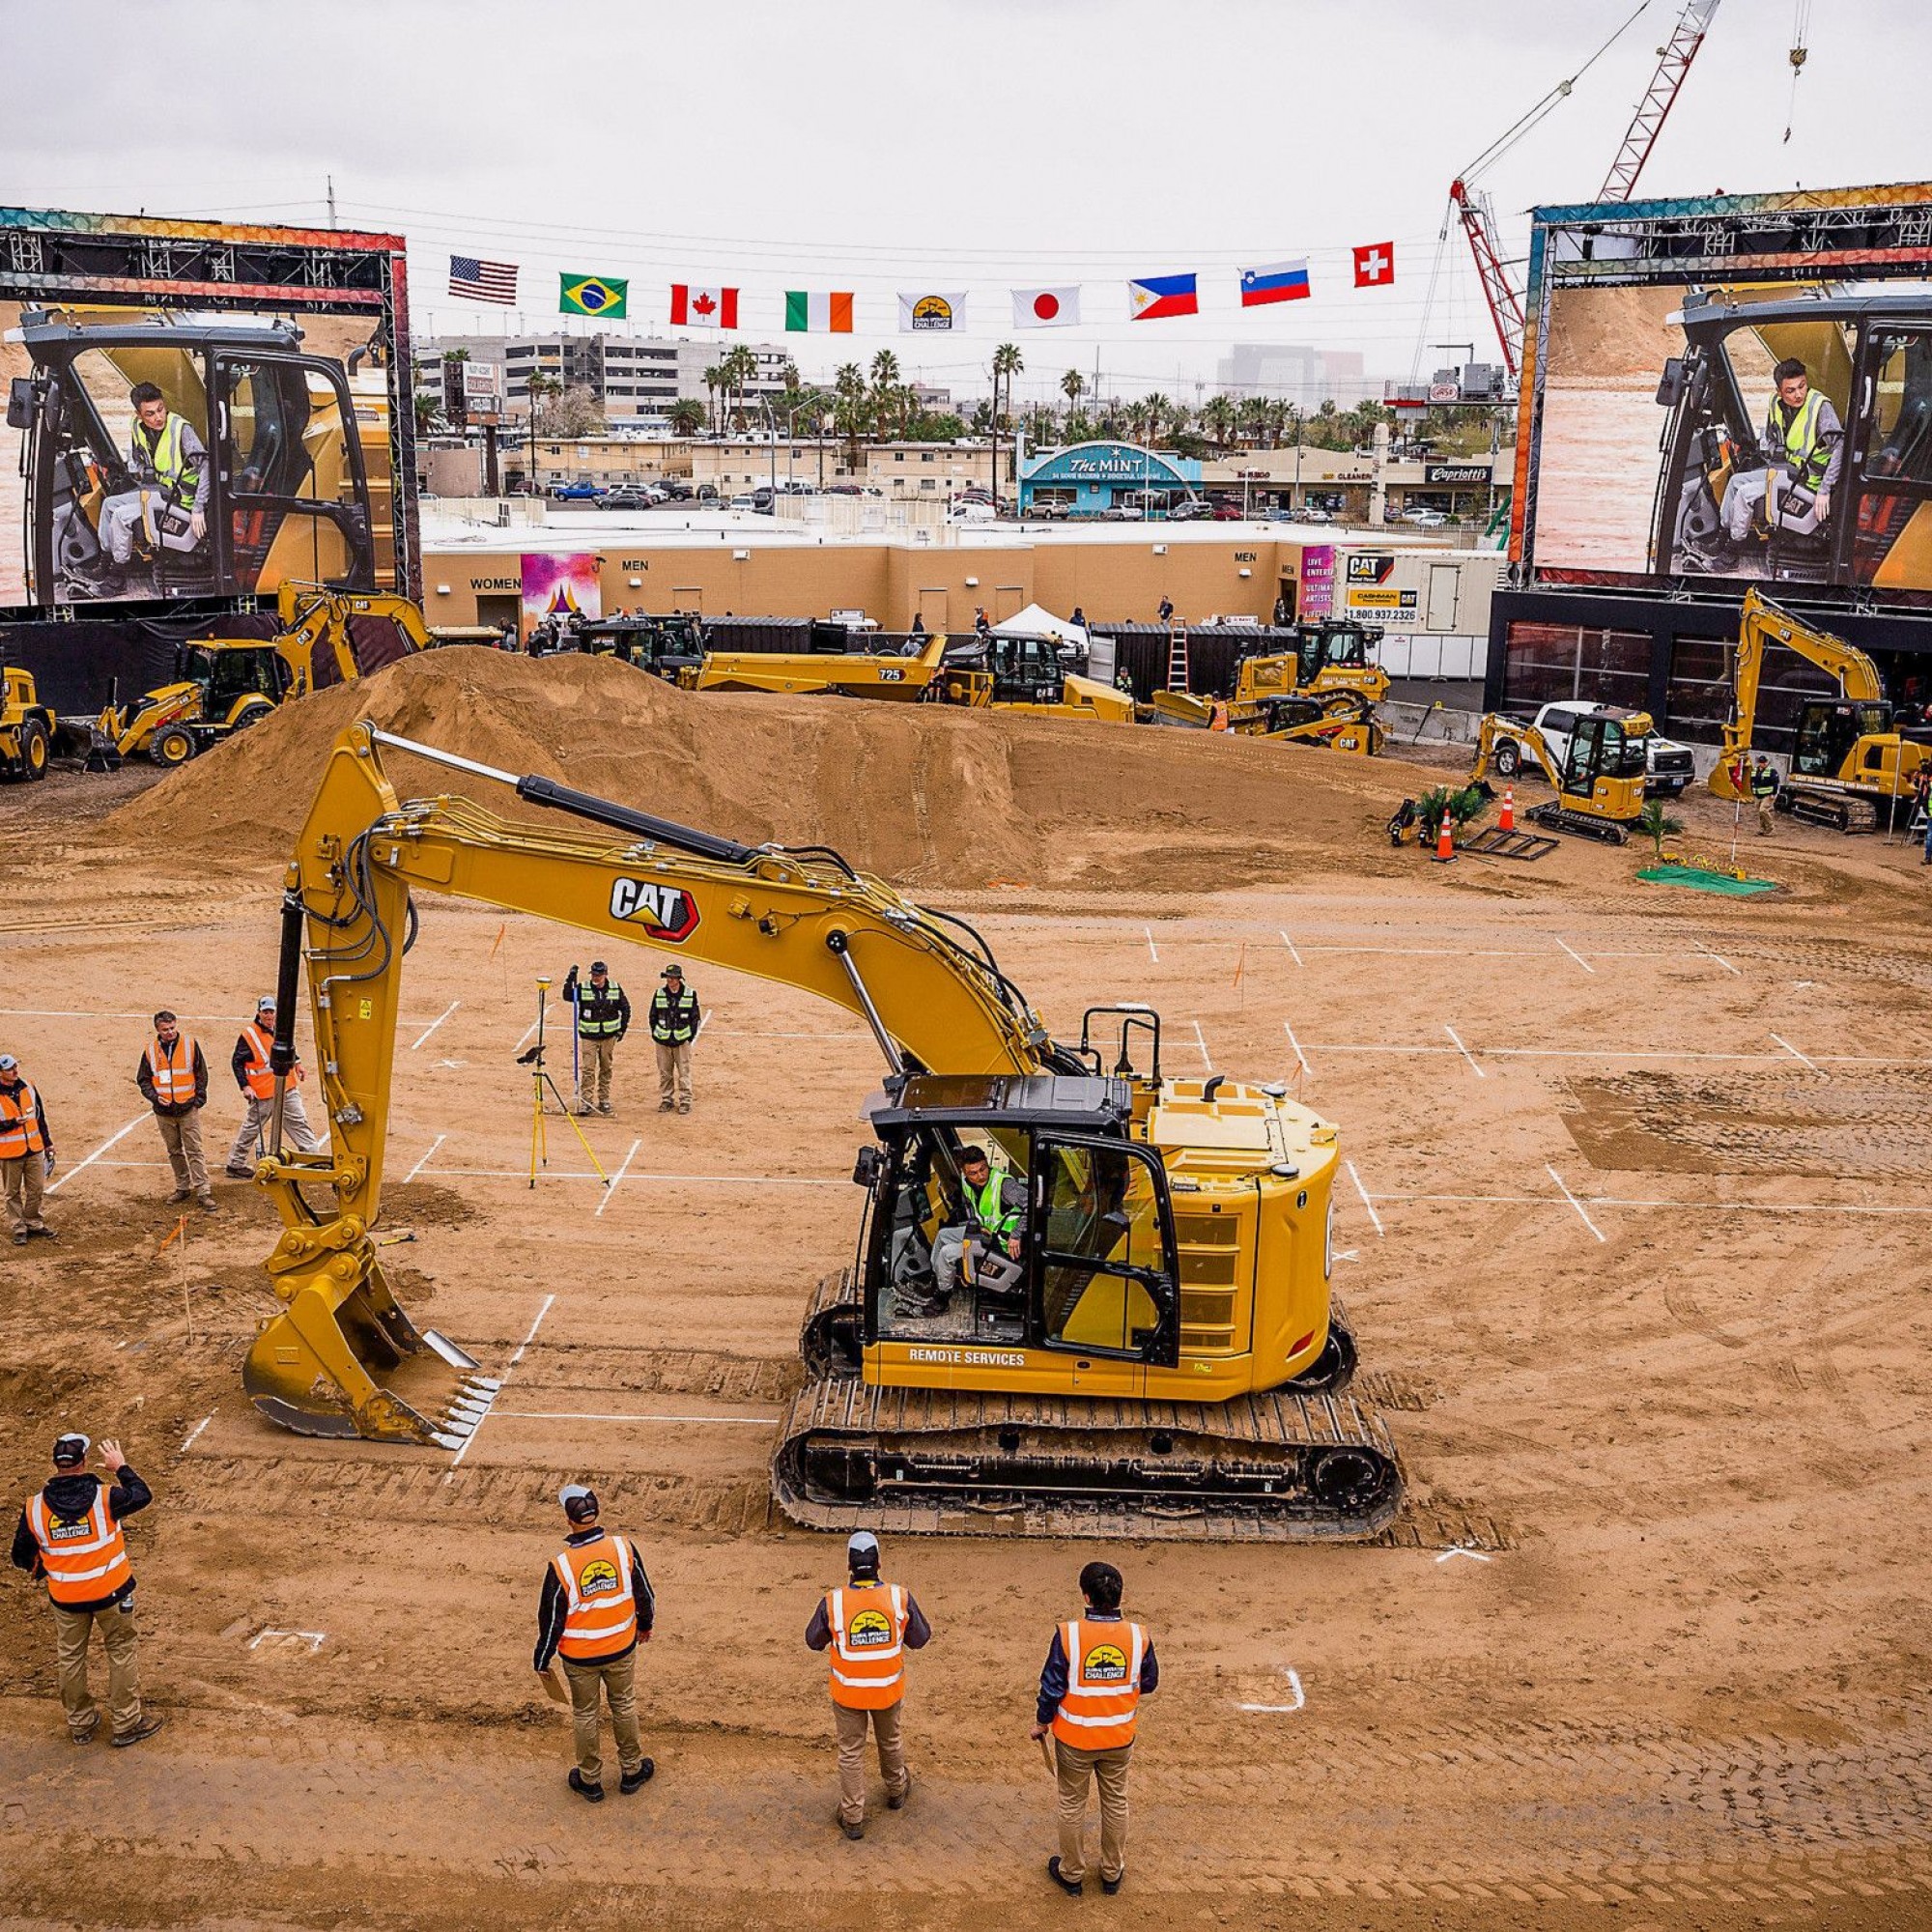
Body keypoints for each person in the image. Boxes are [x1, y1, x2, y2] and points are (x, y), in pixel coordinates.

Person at [12, 1434, 165, 1747]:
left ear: (56, 1465)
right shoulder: (105, 1497)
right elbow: (142, 1494)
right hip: (113, 1593)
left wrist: (46, 1563)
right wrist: (120, 1467)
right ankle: (126, 1723)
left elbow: (19, 1557)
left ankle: (80, 1724)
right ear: (82, 1462)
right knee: (121, 1652)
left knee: (70, 1657)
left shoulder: (35, 1508)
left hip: (67, 1599)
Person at [1031, 1560, 1159, 1897]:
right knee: (1116, 1801)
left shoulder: (1068, 1635)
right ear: (1119, 1596)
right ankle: (1111, 1873)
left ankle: (1072, 1874)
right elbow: (1148, 1683)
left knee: (1072, 1804)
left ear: (1086, 1597)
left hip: (1075, 1740)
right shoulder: (1138, 1636)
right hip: (1119, 1737)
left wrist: (1043, 1721)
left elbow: (1052, 1687)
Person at [805, 1530, 933, 1840]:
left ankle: (853, 1817)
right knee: (890, 1741)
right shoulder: (898, 1597)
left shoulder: (833, 1601)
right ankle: (897, 1790)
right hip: (887, 1690)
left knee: (851, 1752)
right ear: (879, 1563)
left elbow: (813, 1641)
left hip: (848, 1693)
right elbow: (921, 1639)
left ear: (849, 1565)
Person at [532, 1483, 656, 1803]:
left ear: (568, 1519)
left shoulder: (560, 1566)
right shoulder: (623, 1548)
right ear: (596, 1513)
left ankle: (590, 1781)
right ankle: (631, 1771)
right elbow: (645, 1595)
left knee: (585, 1714)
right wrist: (644, 1625)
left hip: (579, 1657)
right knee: (624, 1705)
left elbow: (551, 1620)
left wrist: (542, 1659)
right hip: (621, 1647)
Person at [1701, 357, 1844, 572]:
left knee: (1746, 494)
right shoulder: (1774, 405)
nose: (1798, 394)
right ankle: (1722, 538)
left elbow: (1841, 446)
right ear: (1779, 392)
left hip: (1808, 481)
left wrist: (1824, 490)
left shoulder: (1820, 407)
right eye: (1790, 390)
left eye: (1802, 386)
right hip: (1785, 473)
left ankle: (1731, 554)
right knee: (1736, 482)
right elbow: (1770, 437)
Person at [92, 383, 211, 596]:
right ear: (139, 415)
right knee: (109, 505)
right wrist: (142, 472)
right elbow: (138, 457)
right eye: (150, 414)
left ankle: (118, 578)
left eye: (160, 409)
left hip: (180, 499)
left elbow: (207, 467)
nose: (158, 417)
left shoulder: (181, 430)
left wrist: (199, 508)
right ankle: (104, 564)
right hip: (157, 493)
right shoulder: (137, 428)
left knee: (121, 516)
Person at [225, 997, 321, 1178]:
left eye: (272, 1012)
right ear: (259, 1013)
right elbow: (236, 1062)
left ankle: (313, 1158)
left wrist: (297, 1063)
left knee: (299, 1122)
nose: (269, 1015)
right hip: (264, 1092)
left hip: (287, 1086)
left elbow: (286, 1048)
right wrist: (245, 1086)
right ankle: (235, 1163)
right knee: (252, 1127)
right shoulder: (249, 1035)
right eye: (265, 1012)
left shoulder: (280, 1028)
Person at [928, 1145, 1025, 1314]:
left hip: (1003, 1245)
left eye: (983, 1169)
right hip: (986, 1234)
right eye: (973, 1173)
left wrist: (1016, 1235)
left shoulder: (1004, 1185)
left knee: (947, 1253)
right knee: (944, 1235)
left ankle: (942, 1298)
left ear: (987, 1164)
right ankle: (937, 1281)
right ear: (964, 1173)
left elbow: (1032, 1205)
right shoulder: (966, 1184)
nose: (981, 1176)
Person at [136, 1010, 214, 1211]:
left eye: (172, 1028)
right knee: (174, 1151)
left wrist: (198, 1100)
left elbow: (201, 1073)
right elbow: (143, 1080)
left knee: (195, 1150)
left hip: (187, 1108)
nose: (170, 1032)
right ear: (158, 1030)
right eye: (165, 1030)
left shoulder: (190, 1045)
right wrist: (154, 1098)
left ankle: (203, 1190)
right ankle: (182, 1187)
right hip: (164, 1112)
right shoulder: (150, 1051)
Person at [1, 1053, 56, 1245]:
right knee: (12, 1192)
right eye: (9, 1069)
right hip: (10, 1152)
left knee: (36, 1189)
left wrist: (47, 1143)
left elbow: (40, 1118)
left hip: (34, 1148)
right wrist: (12, 1123)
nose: (15, 1071)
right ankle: (18, 1227)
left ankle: (33, 1222)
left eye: (15, 1066)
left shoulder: (29, 1087)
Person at [563, 961, 630, 1117]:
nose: (595, 978)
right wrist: (571, 978)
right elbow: (567, 996)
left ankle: (604, 1100)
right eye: (593, 975)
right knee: (588, 1069)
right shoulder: (584, 987)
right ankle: (586, 1101)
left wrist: (622, 1030)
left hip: (608, 1037)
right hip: (589, 1037)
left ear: (605, 975)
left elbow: (625, 1008)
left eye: (598, 975)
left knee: (606, 1068)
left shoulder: (614, 988)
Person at [649, 964, 699, 1115]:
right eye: (667, 977)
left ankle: (685, 1100)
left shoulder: (690, 994)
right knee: (665, 1073)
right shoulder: (659, 993)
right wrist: (657, 1035)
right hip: (662, 1041)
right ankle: (667, 1100)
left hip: (682, 1041)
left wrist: (689, 1037)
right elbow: (653, 1016)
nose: (669, 980)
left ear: (678, 979)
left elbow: (695, 1018)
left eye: (672, 977)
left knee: (684, 1072)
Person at [1750, 753, 1780, 835]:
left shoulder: (1772, 771)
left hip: (1768, 794)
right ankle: (1763, 829)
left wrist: (1773, 794)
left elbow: (1775, 783)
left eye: (1765, 762)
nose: (1764, 764)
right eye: (1762, 762)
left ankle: (1771, 828)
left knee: (1763, 810)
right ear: (1759, 763)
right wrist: (1753, 792)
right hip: (1758, 795)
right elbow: (1752, 782)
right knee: (1760, 813)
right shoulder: (1755, 771)